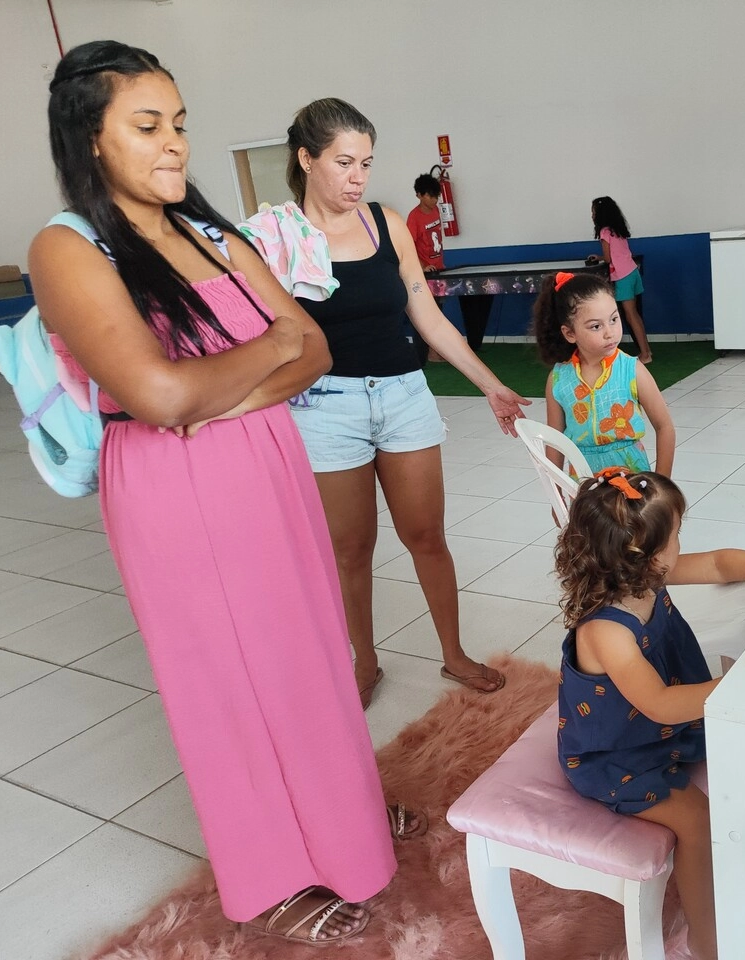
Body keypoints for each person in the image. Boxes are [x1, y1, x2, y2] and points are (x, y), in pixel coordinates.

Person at [31, 40, 424, 945]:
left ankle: (348, 820)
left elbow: (313, 347)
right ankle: (275, 873)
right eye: (146, 126)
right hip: (176, 492)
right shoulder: (68, 247)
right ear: (90, 139)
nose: (173, 144)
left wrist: (221, 390)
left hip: (266, 466)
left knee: (310, 650)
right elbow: (157, 396)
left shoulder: (212, 232)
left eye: (178, 124)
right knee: (228, 679)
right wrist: (250, 365)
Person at [239, 98, 528, 704]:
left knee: (427, 536)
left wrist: (491, 384)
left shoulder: (385, 223)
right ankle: (363, 662)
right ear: (306, 159)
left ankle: (453, 654)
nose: (358, 178)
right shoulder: (278, 237)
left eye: (366, 163)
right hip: (324, 407)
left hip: (403, 398)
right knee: (351, 550)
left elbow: (427, 315)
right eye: (344, 162)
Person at [555, 468, 745, 960]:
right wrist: (735, 684)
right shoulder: (605, 631)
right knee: (696, 820)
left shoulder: (645, 575)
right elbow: (658, 703)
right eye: (677, 535)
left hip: (661, 727)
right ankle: (704, 940)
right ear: (642, 554)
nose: (682, 546)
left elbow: (718, 563)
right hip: (615, 757)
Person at [533, 271, 674, 474]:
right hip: (584, 483)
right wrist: (557, 500)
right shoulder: (558, 379)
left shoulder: (631, 370)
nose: (610, 332)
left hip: (632, 480)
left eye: (614, 319)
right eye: (596, 326)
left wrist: (662, 486)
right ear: (570, 333)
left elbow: (665, 427)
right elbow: (556, 442)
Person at [587, 196, 651, 361]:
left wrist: (599, 257)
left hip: (622, 276)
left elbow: (608, 259)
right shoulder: (618, 229)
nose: (592, 214)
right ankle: (646, 351)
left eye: (593, 211)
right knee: (635, 314)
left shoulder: (604, 232)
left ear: (599, 214)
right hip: (633, 272)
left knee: (630, 315)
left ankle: (645, 354)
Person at [405, 172, 447, 363]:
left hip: (440, 268)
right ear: (420, 195)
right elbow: (407, 245)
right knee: (427, 312)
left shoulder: (437, 211)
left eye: (436, 196)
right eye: (430, 196)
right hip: (425, 274)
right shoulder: (414, 218)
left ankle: (436, 350)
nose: (434, 200)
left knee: (439, 311)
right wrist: (422, 266)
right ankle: (427, 353)